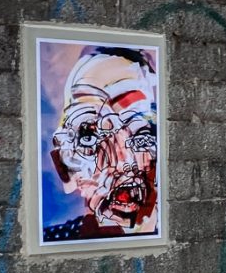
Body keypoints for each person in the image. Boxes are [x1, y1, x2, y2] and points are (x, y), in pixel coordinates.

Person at [44, 47, 160, 242]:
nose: (123, 161)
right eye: (89, 136)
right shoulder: (57, 239)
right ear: (64, 163)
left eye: (142, 133)